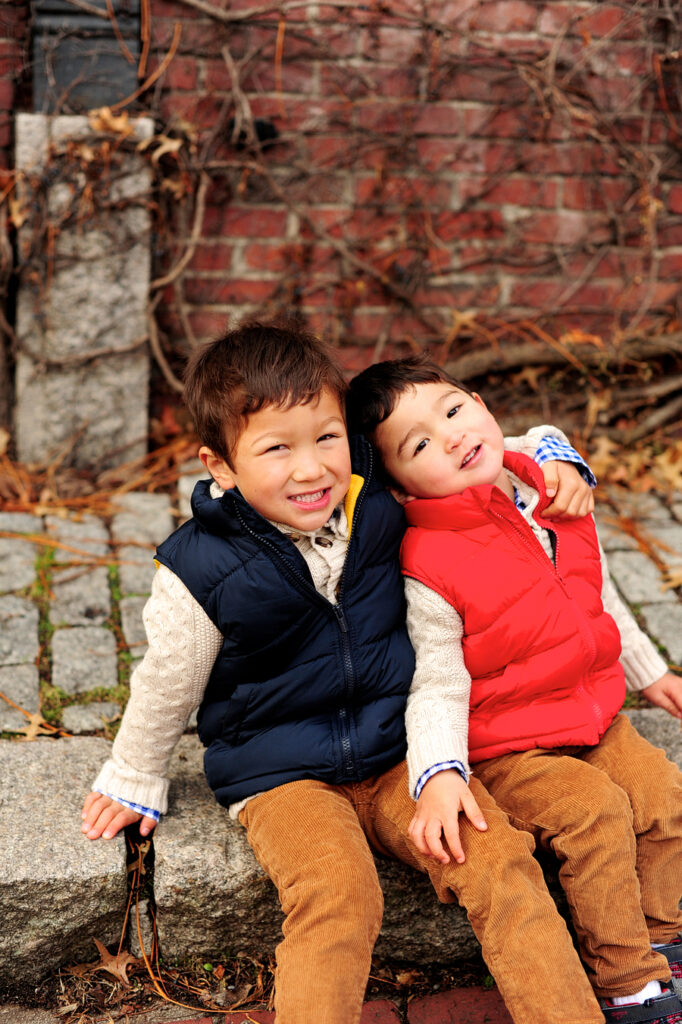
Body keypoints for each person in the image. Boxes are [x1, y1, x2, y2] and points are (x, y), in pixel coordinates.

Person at [82, 319, 606, 1024]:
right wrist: (135, 773)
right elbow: (167, 679)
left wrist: (557, 454)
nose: (311, 468)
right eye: (276, 449)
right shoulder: (199, 568)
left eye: (326, 438)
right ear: (221, 466)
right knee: (339, 893)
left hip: (396, 754)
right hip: (281, 775)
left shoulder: (374, 500)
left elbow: (480, 444)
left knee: (498, 858)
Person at [345, 354, 682, 1024]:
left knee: (666, 798)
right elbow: (436, 681)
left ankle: (663, 942)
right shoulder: (427, 561)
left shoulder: (545, 489)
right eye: (419, 444)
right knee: (594, 811)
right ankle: (628, 984)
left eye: (452, 409)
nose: (450, 436)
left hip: (593, 716)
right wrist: (438, 772)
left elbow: (596, 593)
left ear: (477, 400)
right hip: (508, 745)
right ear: (401, 486)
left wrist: (650, 674)